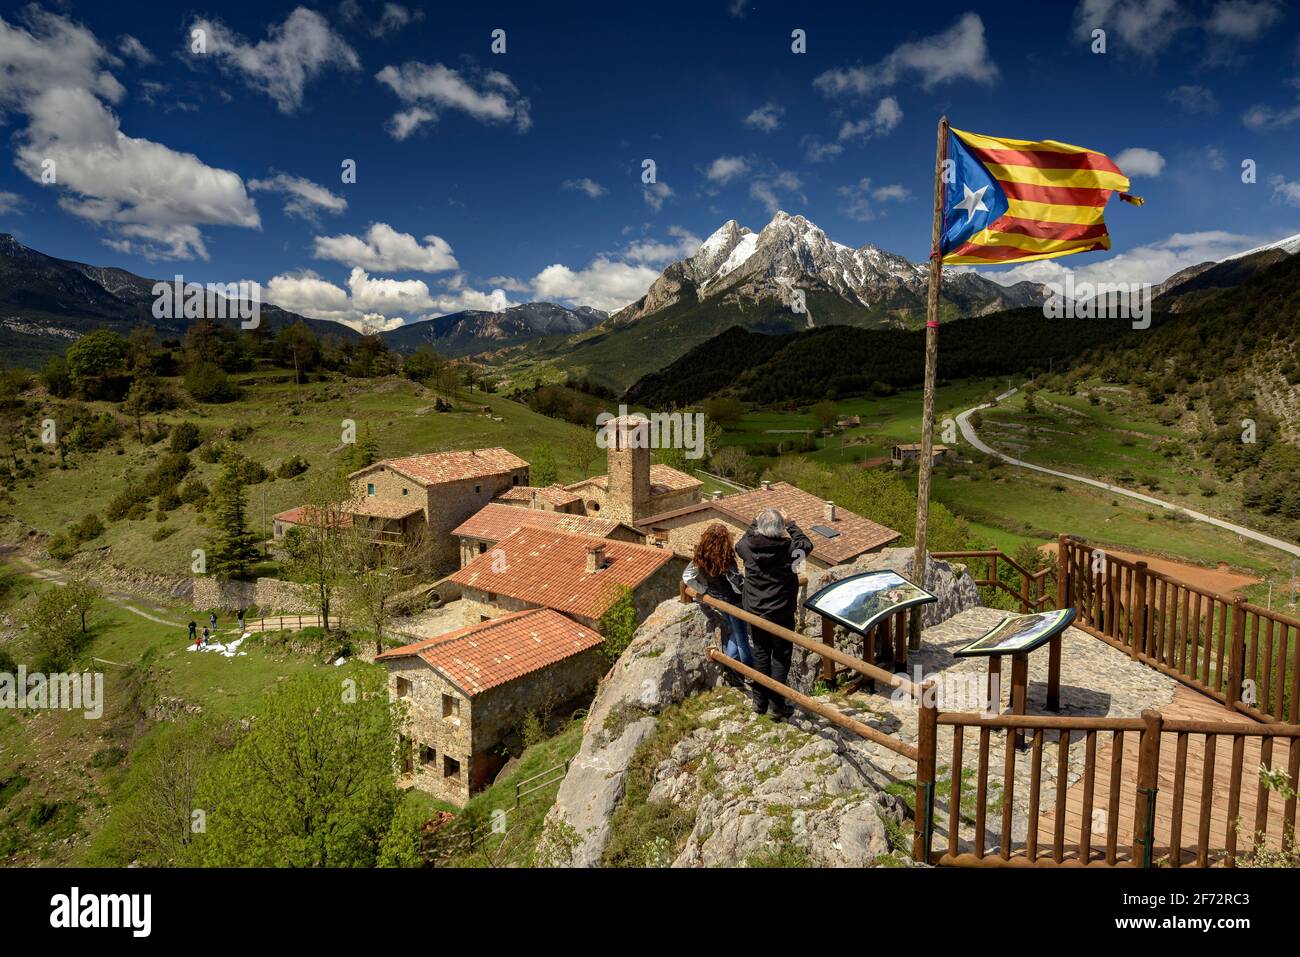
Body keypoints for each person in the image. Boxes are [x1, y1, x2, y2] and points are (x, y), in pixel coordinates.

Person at [736, 507, 813, 719]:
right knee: (780, 656)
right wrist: (791, 524)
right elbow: (807, 545)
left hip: (755, 612)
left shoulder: (747, 548)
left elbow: (740, 541)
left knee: (760, 653)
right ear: (781, 529)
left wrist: (755, 521)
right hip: (781, 612)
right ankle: (776, 705)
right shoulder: (790, 550)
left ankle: (759, 701)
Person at [682, 523, 751, 685]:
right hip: (734, 602)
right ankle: (747, 672)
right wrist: (747, 590)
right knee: (742, 637)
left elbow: (687, 577)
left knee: (736, 631)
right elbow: (736, 584)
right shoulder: (726, 560)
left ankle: (730, 666)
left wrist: (703, 589)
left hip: (716, 599)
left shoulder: (700, 557)